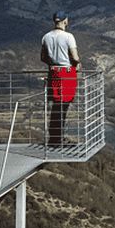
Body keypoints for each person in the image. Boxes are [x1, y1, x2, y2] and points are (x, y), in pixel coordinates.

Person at [41, 10, 80, 147]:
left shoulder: (46, 37)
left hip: (53, 72)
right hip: (67, 73)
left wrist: (53, 63)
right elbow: (75, 57)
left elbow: (43, 57)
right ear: (65, 21)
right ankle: (57, 139)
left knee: (56, 105)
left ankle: (55, 138)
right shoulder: (68, 37)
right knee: (63, 106)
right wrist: (76, 64)